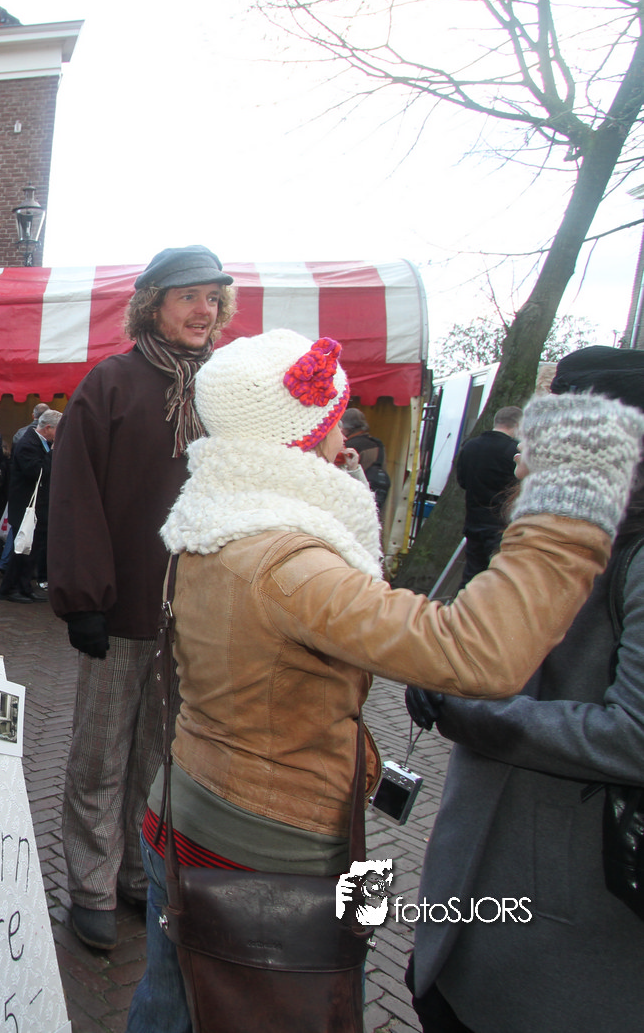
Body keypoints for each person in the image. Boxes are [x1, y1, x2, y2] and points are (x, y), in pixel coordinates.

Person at [124, 329, 643, 1032]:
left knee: (172, 1002)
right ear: (309, 436)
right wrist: (567, 503)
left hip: (184, 810)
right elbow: (479, 651)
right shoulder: (291, 565)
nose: (347, 433)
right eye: (336, 418)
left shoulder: (215, 517)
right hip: (267, 853)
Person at [407, 346, 644, 1033]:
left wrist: (473, 711)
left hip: (564, 921)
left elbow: (633, 735)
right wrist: (444, 670)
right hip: (489, 899)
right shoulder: (562, 528)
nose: (521, 456)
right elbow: (494, 641)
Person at [48, 244, 235, 950]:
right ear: (153, 305)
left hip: (195, 617)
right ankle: (92, 885)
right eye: (188, 296)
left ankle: (137, 875)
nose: (203, 310)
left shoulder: (229, 389)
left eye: (212, 298)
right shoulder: (111, 383)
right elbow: (75, 493)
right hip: (120, 609)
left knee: (161, 757)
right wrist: (84, 599)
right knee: (100, 757)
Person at [456, 405, 523, 588]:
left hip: (473, 522)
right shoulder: (514, 452)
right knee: (497, 581)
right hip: (501, 526)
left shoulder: (470, 446)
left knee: (471, 577)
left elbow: (462, 481)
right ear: (518, 425)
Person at [0, 409, 60, 603]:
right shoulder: (28, 444)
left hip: (36, 507)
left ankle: (25, 586)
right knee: (22, 548)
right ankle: (9, 588)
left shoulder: (37, 442)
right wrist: (53, 452)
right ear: (48, 428)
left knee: (33, 549)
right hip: (26, 506)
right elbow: (37, 472)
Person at [341, 406, 390, 513]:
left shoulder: (350, 447)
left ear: (348, 428)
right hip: (375, 493)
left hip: (357, 496)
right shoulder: (377, 443)